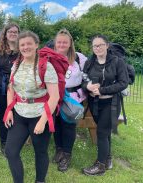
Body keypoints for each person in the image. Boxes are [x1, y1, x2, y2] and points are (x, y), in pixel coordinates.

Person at [4, 31, 60, 183]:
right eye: (22, 44)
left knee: (40, 151)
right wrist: (9, 110)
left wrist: (43, 121)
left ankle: (40, 180)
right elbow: (11, 88)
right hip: (20, 114)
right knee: (11, 151)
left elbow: (54, 96)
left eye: (29, 43)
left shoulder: (45, 67)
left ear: (36, 45)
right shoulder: (16, 65)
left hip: (40, 115)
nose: (25, 47)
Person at [82, 34, 128, 176]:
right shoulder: (90, 62)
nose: (98, 48)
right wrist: (88, 86)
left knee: (101, 132)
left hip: (111, 102)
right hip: (94, 103)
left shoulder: (117, 62)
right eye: (95, 45)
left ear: (107, 45)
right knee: (105, 130)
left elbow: (123, 82)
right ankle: (107, 158)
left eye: (101, 45)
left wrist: (101, 90)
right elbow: (83, 78)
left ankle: (100, 165)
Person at [52, 28, 87, 172]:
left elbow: (87, 76)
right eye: (59, 42)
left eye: (64, 42)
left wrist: (88, 86)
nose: (61, 44)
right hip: (54, 96)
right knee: (56, 124)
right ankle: (59, 150)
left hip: (72, 97)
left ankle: (67, 154)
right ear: (55, 43)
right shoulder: (50, 57)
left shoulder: (79, 58)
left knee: (68, 126)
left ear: (70, 43)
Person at [0, 22, 20, 155]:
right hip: (2, 88)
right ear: (5, 34)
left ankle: (16, 140)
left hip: (20, 87)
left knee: (18, 115)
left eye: (15, 32)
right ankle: (4, 142)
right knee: (4, 114)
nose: (13, 34)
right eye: (10, 32)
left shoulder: (22, 49)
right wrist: (6, 84)